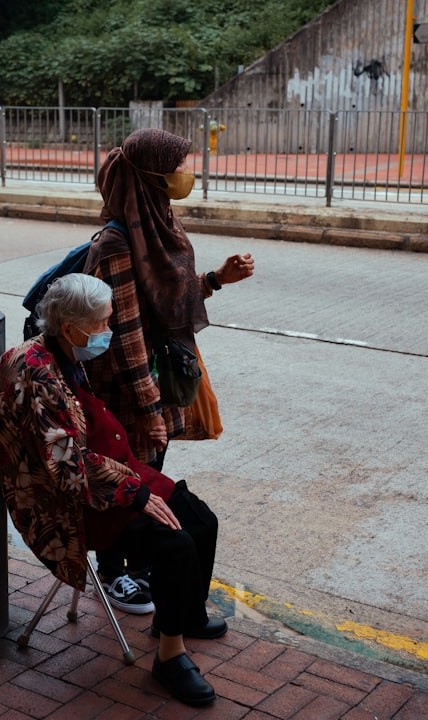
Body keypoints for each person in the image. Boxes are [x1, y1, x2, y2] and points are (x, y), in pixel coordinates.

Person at [0, 273, 226, 707]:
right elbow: (65, 465)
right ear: (70, 327)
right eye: (101, 324)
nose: (108, 332)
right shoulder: (39, 374)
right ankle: (170, 657)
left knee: (202, 521)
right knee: (175, 544)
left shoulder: (65, 353)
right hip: (76, 504)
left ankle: (180, 615)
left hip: (114, 472)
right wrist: (137, 494)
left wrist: (135, 479)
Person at [83, 127, 255, 610]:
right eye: (182, 165)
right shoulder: (117, 245)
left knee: (150, 472)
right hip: (126, 389)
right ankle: (113, 572)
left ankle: (143, 561)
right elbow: (127, 334)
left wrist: (218, 279)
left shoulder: (158, 222)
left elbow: (165, 301)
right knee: (127, 478)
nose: (189, 173)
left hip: (154, 379)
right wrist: (150, 408)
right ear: (155, 175)